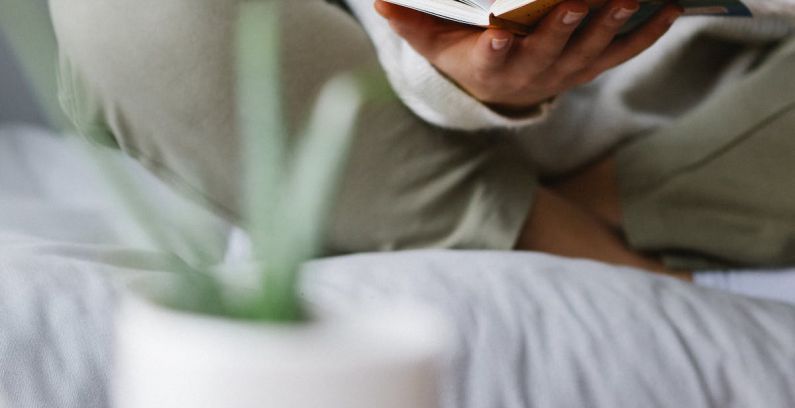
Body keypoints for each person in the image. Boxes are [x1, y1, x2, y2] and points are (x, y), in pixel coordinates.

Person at [51, 0, 795, 281]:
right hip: (399, 107)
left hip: (727, 111)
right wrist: (458, 71)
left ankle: (568, 218)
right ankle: (550, 229)